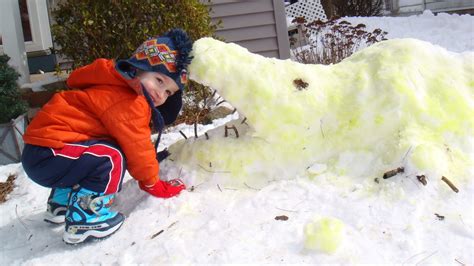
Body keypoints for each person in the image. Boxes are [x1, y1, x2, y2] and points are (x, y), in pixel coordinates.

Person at [21, 29, 192, 244]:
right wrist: (152, 183)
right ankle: (86, 217)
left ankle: (61, 203)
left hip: (43, 153)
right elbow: (137, 147)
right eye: (159, 80)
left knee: (91, 151)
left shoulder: (111, 83)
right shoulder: (129, 101)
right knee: (111, 157)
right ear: (139, 69)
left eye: (168, 92)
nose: (161, 93)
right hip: (50, 153)